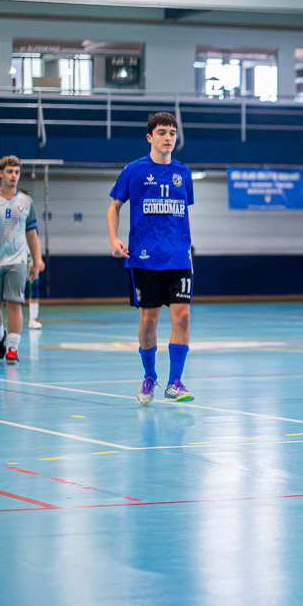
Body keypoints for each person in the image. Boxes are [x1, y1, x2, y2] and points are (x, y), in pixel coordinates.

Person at [108, 112, 196, 404]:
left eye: (172, 132)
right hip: (144, 259)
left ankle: (175, 382)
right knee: (149, 322)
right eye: (162, 132)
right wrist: (113, 238)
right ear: (150, 137)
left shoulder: (184, 173)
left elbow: (185, 213)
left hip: (178, 257)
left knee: (183, 317)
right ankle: (149, 376)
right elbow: (114, 207)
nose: (168, 137)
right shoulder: (134, 170)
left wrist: (189, 250)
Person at [0, 155, 45, 364]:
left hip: (17, 261)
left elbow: (32, 234)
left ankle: (12, 349)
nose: (14, 176)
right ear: (1, 173)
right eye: (10, 172)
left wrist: (36, 261)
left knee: (15, 305)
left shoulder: (26, 202)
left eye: (17, 172)